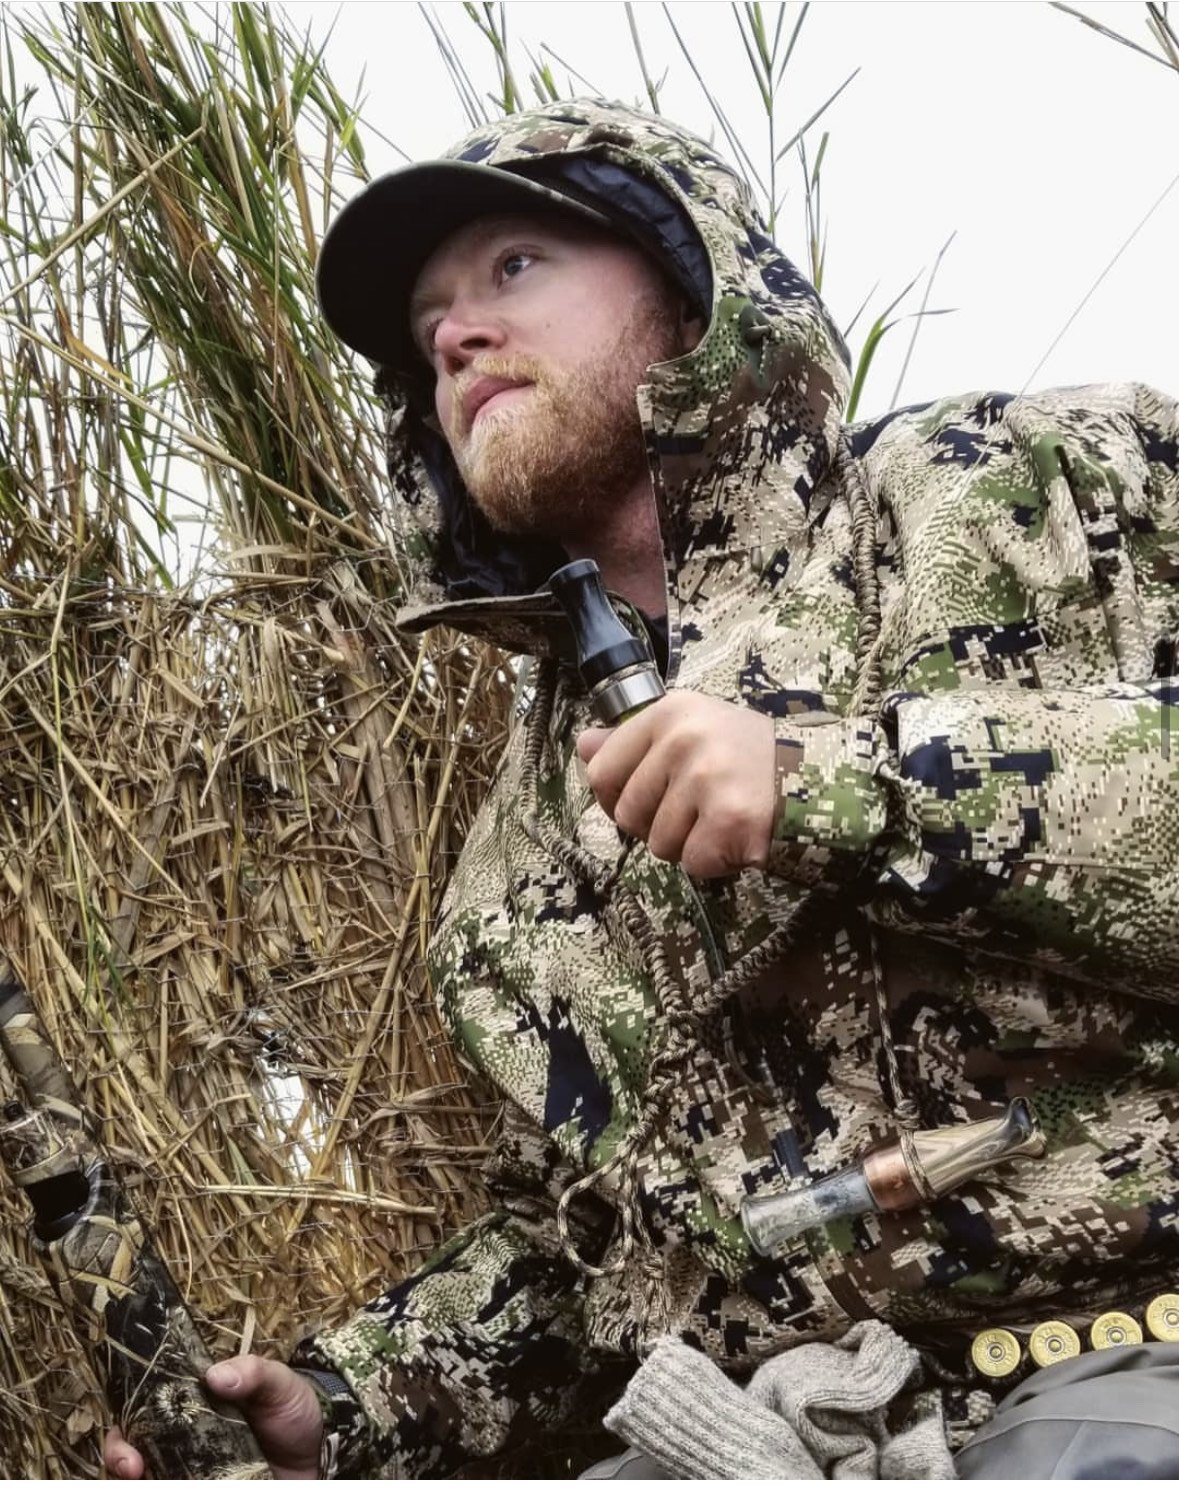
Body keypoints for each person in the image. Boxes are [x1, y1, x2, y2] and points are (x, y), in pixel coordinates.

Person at [105, 99, 1179, 1480]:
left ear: (688, 284)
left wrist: (844, 788)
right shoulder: (508, 877)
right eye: (428, 321)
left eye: (512, 268)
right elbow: (592, 1261)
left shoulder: (1019, 486)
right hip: (774, 1437)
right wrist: (346, 1409)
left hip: (1127, 1366)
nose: (455, 335)